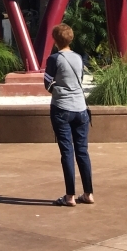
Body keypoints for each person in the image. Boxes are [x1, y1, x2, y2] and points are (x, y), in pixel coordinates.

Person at [44, 23, 94, 207]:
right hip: (81, 109)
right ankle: (88, 193)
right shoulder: (79, 58)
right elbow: (79, 80)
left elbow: (47, 84)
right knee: (82, 151)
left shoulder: (54, 59)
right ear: (70, 38)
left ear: (55, 40)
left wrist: (58, 90)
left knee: (67, 151)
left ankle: (70, 196)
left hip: (62, 109)